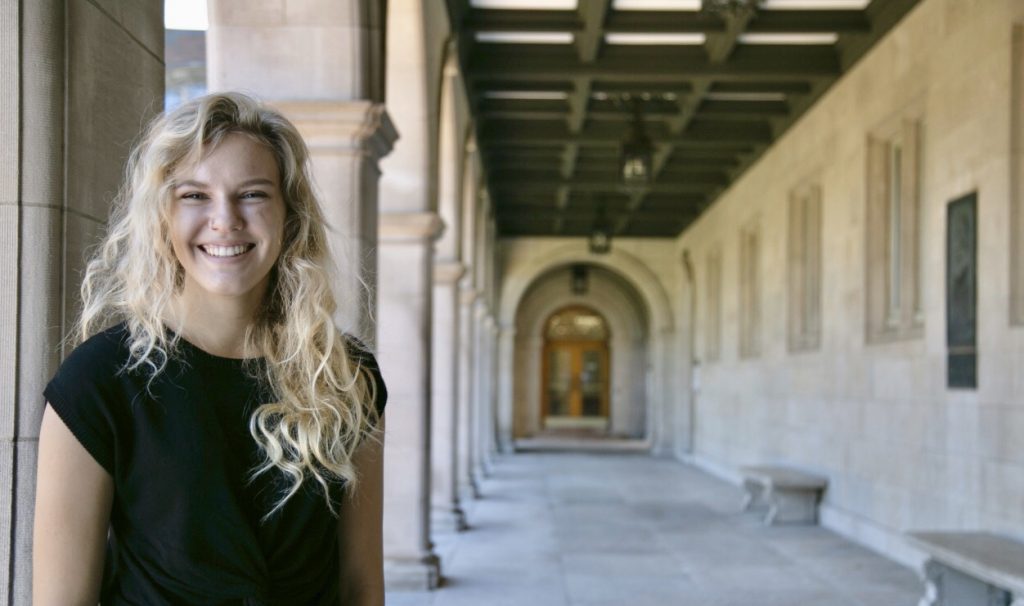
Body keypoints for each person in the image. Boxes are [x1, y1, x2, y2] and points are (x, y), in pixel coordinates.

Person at [32, 92, 386, 605]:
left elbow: (361, 586)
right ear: (162, 216)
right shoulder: (98, 380)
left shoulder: (343, 373)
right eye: (195, 195)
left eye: (253, 194)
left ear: (289, 216)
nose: (225, 220)